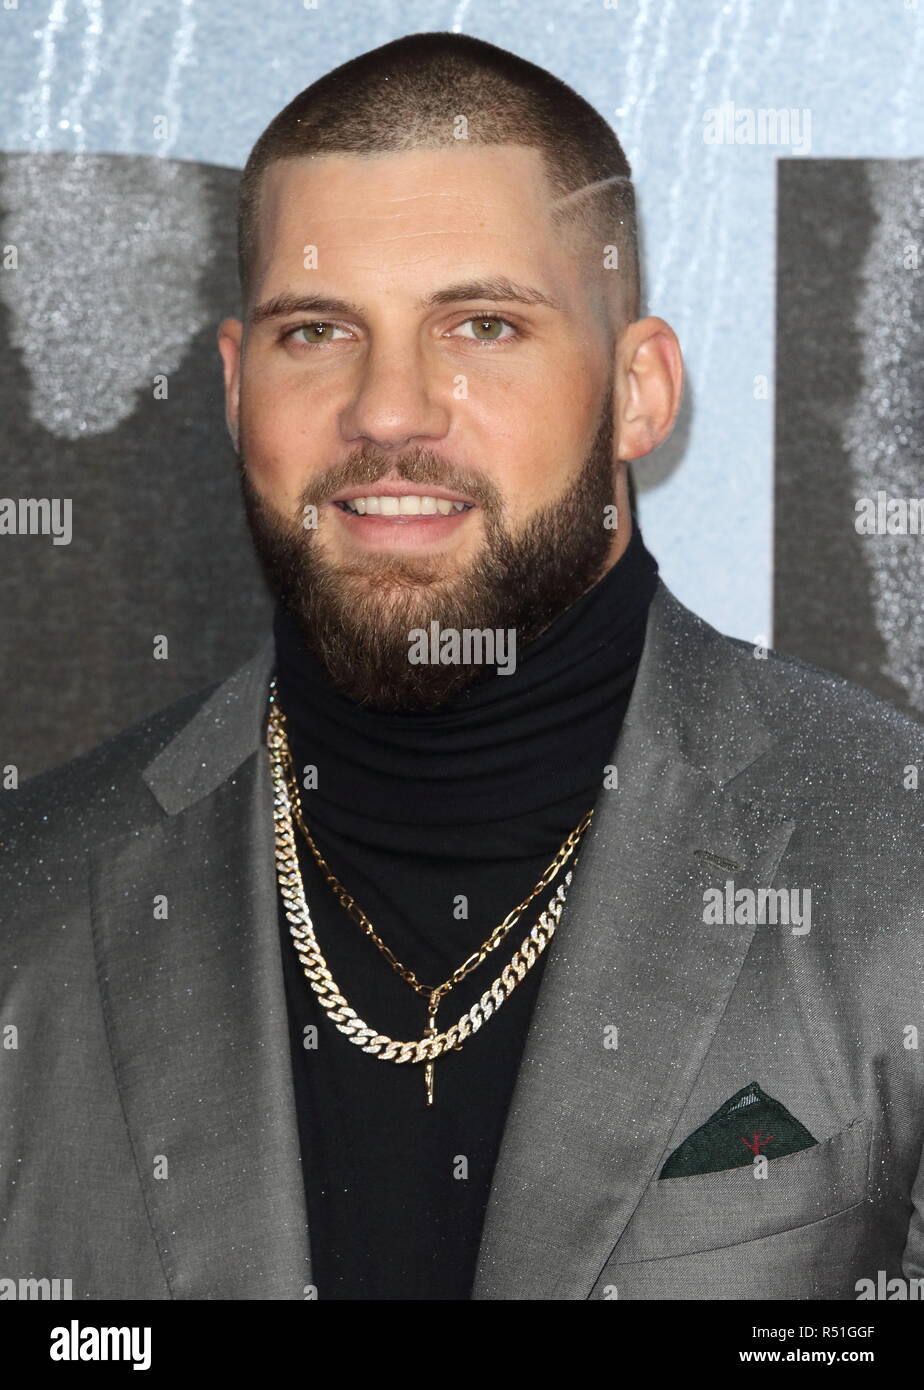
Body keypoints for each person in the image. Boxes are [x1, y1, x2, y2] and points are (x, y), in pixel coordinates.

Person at [1, 31, 922, 1303]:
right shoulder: (31, 897)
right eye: (317, 329)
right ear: (231, 389)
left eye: (482, 323)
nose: (389, 409)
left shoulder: (893, 859)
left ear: (641, 391)